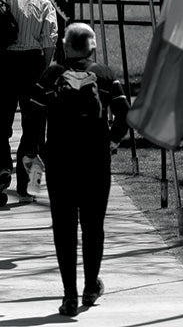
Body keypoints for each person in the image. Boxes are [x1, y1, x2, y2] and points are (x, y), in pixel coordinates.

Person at [33, 22, 128, 317]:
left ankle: (69, 296)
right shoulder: (105, 75)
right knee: (92, 225)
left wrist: (39, 151)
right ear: (92, 46)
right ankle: (90, 287)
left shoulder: (50, 76)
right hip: (96, 160)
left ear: (64, 45)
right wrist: (111, 141)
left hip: (60, 161)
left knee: (63, 228)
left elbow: (34, 117)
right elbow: (124, 115)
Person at [0, 0, 58, 207]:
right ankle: (27, 187)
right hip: (32, 64)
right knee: (34, 126)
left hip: (0, 64)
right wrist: (43, 70)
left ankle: (2, 167)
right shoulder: (45, 5)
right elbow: (50, 42)